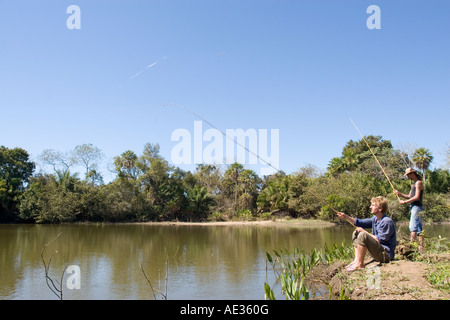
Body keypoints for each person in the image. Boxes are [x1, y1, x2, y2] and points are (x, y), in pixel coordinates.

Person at [337, 196, 396, 271]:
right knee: (356, 233)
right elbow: (359, 223)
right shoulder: (375, 219)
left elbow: (380, 240)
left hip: (386, 255)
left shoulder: (387, 221)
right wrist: (346, 217)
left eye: (373, 205)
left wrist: (364, 232)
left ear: (380, 209)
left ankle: (360, 264)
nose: (370, 207)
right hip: (378, 250)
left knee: (363, 234)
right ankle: (356, 260)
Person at [394, 167, 424, 251]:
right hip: (414, 207)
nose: (407, 177)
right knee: (418, 228)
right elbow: (410, 196)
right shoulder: (413, 184)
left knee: (413, 226)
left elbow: (417, 197)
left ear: (412, 174)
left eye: (408, 175)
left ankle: (411, 246)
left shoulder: (418, 183)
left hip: (417, 207)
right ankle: (421, 248)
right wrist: (399, 194)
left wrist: (405, 202)